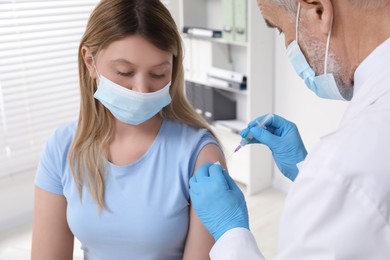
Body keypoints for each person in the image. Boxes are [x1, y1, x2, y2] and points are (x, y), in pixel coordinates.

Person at [189, 0, 390, 259]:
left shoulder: (341, 170)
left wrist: (231, 234)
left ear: (319, 10)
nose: (288, 45)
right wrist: (303, 167)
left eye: (282, 30)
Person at [31, 0, 226, 259]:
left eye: (158, 74)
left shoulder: (199, 154)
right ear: (90, 62)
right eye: (125, 72)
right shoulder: (62, 148)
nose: (142, 90)